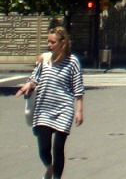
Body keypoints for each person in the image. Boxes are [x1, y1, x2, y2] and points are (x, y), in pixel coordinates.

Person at [15, 26, 84, 179]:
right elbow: (34, 78)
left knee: (58, 148)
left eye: (52, 42)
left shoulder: (72, 62)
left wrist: (79, 111)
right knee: (44, 149)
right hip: (43, 108)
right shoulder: (44, 59)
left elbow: (78, 88)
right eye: (48, 42)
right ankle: (49, 167)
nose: (49, 45)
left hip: (64, 109)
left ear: (62, 42)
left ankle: (57, 177)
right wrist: (28, 85)